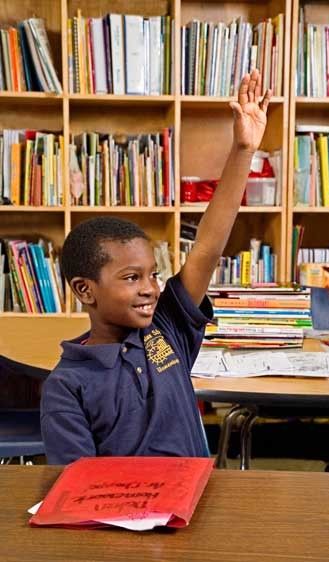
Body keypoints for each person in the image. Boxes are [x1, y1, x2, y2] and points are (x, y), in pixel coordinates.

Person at [41, 70, 272, 464]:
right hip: (124, 517)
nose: (150, 288)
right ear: (85, 290)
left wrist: (243, 150)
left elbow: (207, 249)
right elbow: (76, 486)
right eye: (131, 278)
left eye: (152, 274)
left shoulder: (166, 328)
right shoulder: (66, 386)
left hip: (195, 505)